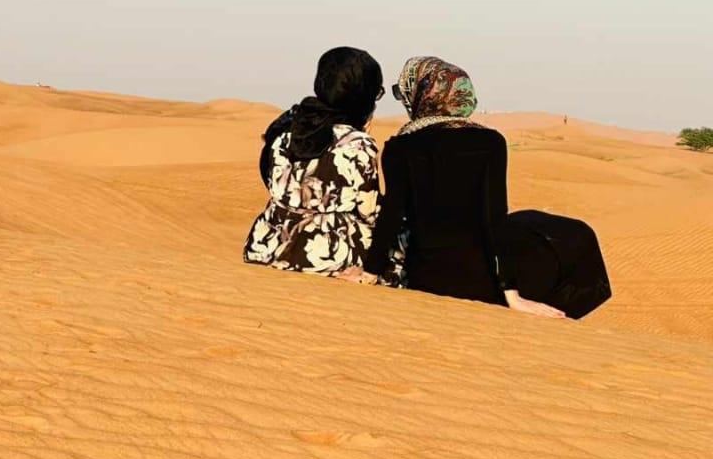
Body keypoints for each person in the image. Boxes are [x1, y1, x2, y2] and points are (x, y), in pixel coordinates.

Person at [340, 56, 611, 321]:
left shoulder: (400, 147)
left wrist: (369, 274)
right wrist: (512, 295)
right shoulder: (490, 142)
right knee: (574, 238)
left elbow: (391, 215)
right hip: (483, 283)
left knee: (532, 224)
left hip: (426, 278)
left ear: (422, 93)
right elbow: (495, 219)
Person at [243, 47, 384, 275]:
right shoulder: (358, 144)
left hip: (267, 245)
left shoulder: (285, 133)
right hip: (324, 256)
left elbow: (274, 185)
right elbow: (369, 211)